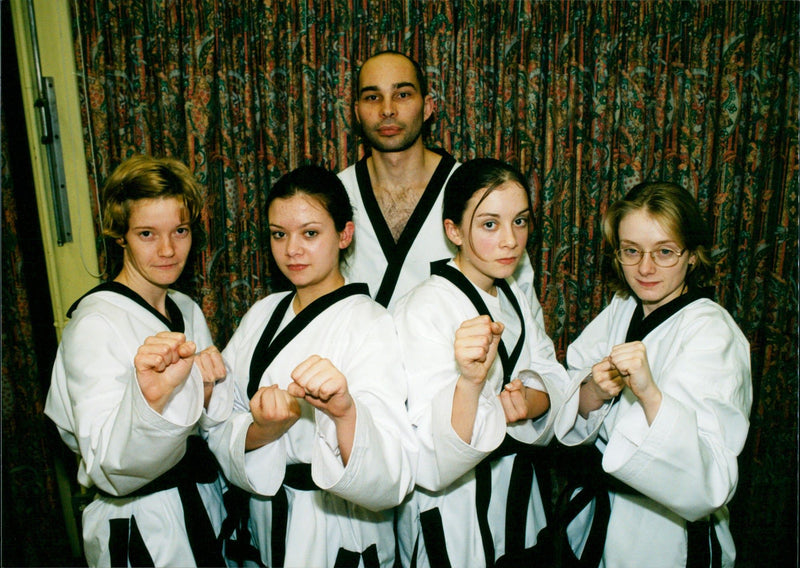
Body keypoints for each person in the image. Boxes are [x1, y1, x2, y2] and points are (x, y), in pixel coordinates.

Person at [207, 165, 417, 567]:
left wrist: (344, 413)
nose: (292, 250)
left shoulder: (370, 323)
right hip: (265, 518)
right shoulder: (263, 314)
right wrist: (262, 430)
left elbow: (392, 473)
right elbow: (218, 422)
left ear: (344, 235)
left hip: (335, 528)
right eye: (278, 234)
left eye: (310, 233)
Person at [45, 155, 233, 567]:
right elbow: (108, 467)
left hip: (201, 502)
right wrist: (154, 401)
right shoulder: (94, 325)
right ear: (120, 236)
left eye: (179, 231)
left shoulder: (185, 308)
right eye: (147, 233)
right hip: (139, 520)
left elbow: (211, 422)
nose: (168, 250)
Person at [553, 182, 752, 567]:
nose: (645, 268)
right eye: (631, 251)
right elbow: (572, 385)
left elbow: (711, 481)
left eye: (664, 252)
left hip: (666, 538)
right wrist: (594, 390)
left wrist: (649, 394)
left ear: (692, 255)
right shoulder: (622, 307)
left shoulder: (713, 333)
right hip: (598, 520)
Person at [391, 158, 570, 567]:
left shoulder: (516, 296)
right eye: (490, 224)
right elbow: (428, 448)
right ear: (453, 230)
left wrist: (533, 402)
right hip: (456, 509)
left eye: (520, 222)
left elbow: (550, 371)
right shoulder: (423, 307)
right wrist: (473, 388)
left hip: (520, 498)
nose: (510, 240)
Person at [339, 50, 543, 318]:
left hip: (460, 356)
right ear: (357, 112)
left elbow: (522, 302)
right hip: (358, 357)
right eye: (372, 97)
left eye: (402, 94)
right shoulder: (335, 196)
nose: (387, 109)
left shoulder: (474, 192)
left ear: (427, 107)